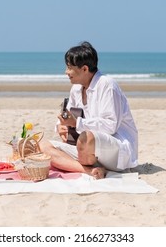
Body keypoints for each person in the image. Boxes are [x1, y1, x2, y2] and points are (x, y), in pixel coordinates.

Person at [40, 41, 138, 179]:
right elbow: (69, 118)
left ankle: (89, 165)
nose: (66, 72)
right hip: (87, 149)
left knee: (86, 137)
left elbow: (110, 126)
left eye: (69, 68)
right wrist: (62, 126)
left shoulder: (107, 85)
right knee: (43, 147)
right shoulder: (76, 89)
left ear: (84, 69)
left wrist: (76, 123)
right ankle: (90, 170)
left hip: (117, 150)